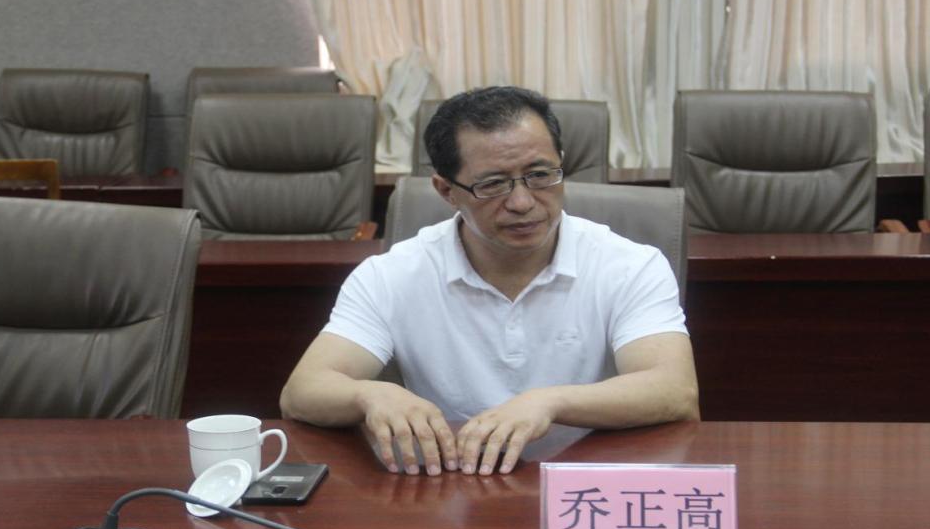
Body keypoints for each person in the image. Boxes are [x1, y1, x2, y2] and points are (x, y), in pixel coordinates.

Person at [280, 86, 699, 477]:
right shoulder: (392, 274)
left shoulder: (629, 265)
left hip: (588, 484)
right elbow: (302, 391)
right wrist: (370, 395)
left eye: (540, 174)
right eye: (493, 184)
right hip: (452, 484)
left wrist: (550, 402)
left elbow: (674, 391)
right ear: (446, 191)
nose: (522, 202)